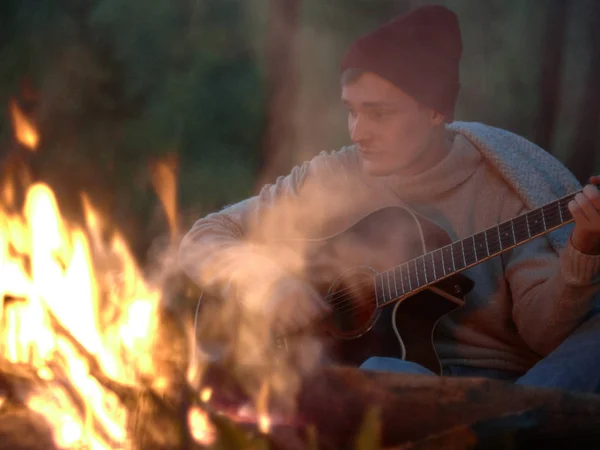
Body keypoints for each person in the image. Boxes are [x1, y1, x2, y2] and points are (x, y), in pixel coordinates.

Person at [179, 5, 600, 393]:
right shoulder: (335, 176)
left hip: (490, 384)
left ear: (436, 112)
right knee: (383, 373)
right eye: (352, 110)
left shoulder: (505, 185)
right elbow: (204, 238)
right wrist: (268, 284)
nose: (358, 131)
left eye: (379, 114)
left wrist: (583, 248)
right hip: (360, 378)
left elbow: (545, 335)